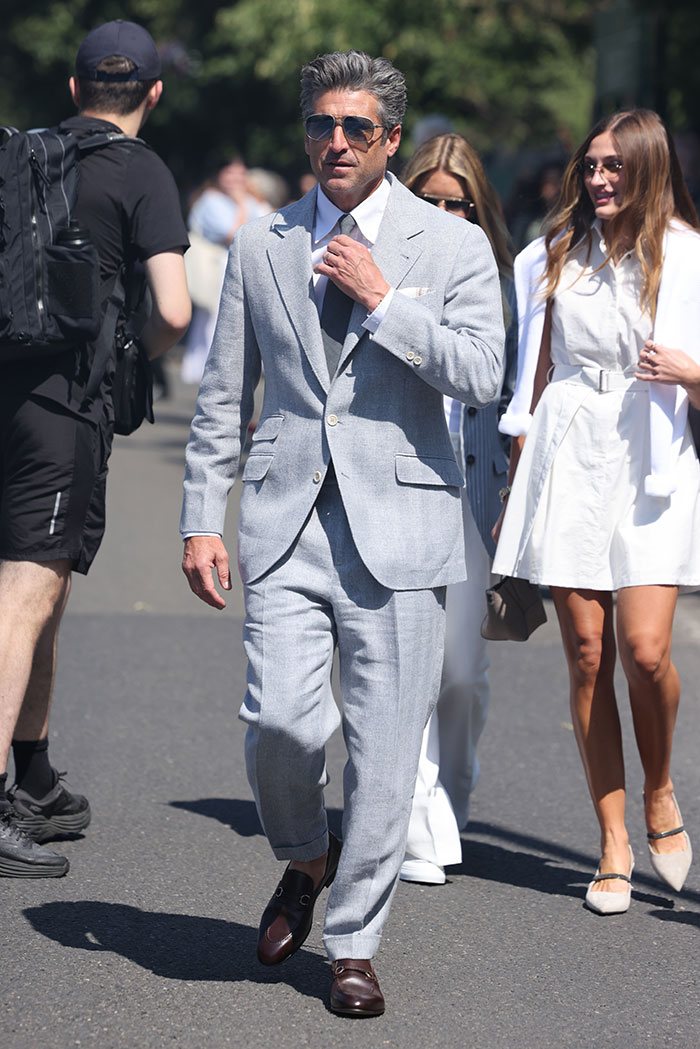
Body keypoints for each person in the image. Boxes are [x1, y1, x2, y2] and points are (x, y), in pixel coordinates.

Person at [181, 50, 504, 1015]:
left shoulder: (447, 246)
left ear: (391, 140)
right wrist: (203, 514)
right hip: (285, 520)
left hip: (399, 524)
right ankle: (305, 856)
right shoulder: (263, 240)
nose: (334, 142)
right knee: (278, 720)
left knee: (385, 748)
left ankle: (355, 940)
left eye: (356, 128)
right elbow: (222, 395)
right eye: (320, 124)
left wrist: (384, 300)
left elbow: (484, 373)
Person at [493, 109, 700, 914]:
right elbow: (531, 377)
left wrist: (691, 371)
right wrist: (514, 471)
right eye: (591, 166)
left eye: (615, 166)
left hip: (652, 454)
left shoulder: (686, 257)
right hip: (569, 450)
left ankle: (659, 787)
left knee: (645, 651)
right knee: (587, 651)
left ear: (648, 169)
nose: (599, 178)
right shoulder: (553, 255)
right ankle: (613, 838)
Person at [0, 19, 191, 878]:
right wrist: (129, 361)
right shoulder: (141, 170)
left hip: (8, 389)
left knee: (42, 582)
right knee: (26, 593)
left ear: (74, 90)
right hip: (62, 407)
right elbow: (177, 311)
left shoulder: (26, 157)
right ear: (153, 93)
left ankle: (32, 772)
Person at [399, 133, 517, 885]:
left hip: (472, 492)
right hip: (400, 491)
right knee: (401, 666)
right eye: (430, 200)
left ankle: (454, 788)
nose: (444, 213)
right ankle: (413, 824)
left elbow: (509, 397)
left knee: (463, 675)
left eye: (458, 203)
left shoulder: (501, 282)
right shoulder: (387, 267)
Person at [181, 157, 268, 385]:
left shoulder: (252, 200)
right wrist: (241, 204)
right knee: (216, 320)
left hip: (250, 267)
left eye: (240, 174)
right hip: (218, 268)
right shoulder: (210, 201)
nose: (236, 180)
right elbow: (233, 234)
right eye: (230, 174)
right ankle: (211, 371)